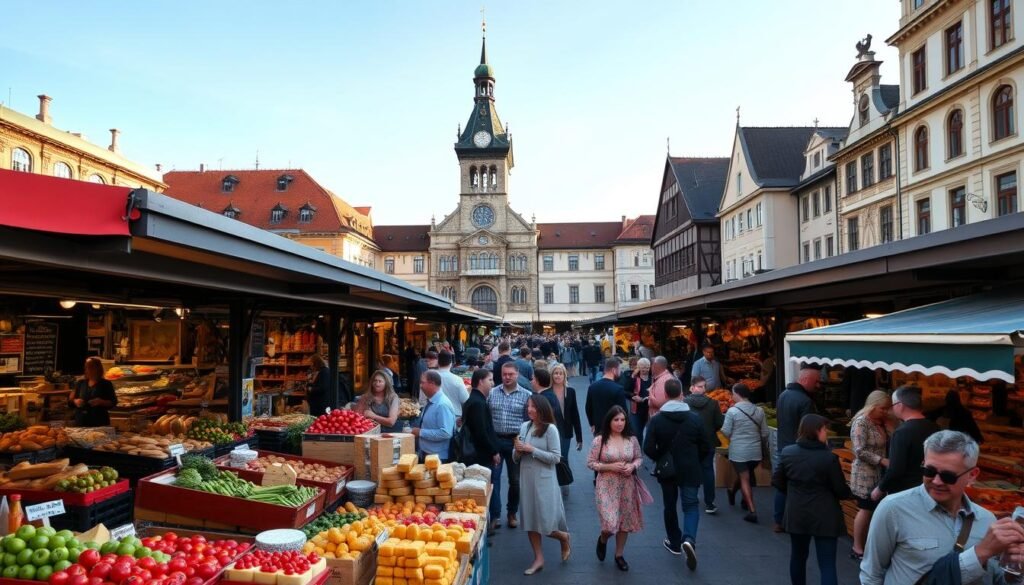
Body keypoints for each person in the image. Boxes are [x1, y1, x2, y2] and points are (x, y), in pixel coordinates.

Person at [861, 430, 1024, 585]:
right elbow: (871, 574)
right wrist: (980, 552)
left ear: (972, 475)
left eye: (948, 476)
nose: (937, 481)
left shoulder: (987, 520)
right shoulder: (894, 508)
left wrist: (1015, 568)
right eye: (929, 471)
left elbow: (997, 579)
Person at [773, 414, 852, 585]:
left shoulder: (788, 453)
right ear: (816, 431)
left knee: (798, 557)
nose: (827, 434)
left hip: (797, 511)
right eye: (824, 430)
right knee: (827, 564)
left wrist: (793, 491)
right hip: (825, 513)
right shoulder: (829, 458)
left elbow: (777, 480)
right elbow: (840, 490)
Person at [644, 378, 708, 571]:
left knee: (669, 505)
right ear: (682, 394)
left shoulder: (657, 420)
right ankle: (689, 538)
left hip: (668, 469)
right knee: (690, 505)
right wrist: (696, 459)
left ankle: (673, 540)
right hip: (690, 468)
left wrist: (660, 457)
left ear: (666, 394)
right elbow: (706, 446)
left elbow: (647, 447)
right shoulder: (695, 418)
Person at [515, 394, 571, 575]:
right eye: (528, 406)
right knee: (530, 520)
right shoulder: (524, 426)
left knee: (546, 522)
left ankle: (563, 537)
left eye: (533, 407)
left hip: (544, 480)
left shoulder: (550, 430)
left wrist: (532, 450)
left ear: (542, 409)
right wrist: (517, 451)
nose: (529, 409)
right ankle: (538, 559)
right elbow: (515, 457)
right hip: (527, 478)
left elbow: (556, 457)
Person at [588, 406, 645, 572]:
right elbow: (590, 463)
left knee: (624, 523)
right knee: (610, 523)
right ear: (609, 421)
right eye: (616, 420)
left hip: (627, 485)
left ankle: (619, 555)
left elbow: (639, 458)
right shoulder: (600, 440)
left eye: (622, 420)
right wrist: (610, 466)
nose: (620, 423)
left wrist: (633, 466)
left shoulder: (632, 440)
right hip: (606, 485)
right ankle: (603, 539)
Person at [872, 386, 941, 501]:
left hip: (904, 492)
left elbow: (896, 469)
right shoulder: (935, 427)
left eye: (893, 405)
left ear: (900, 405)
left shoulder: (902, 432)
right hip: (928, 488)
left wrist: (880, 488)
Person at [774, 367, 821, 532]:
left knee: (782, 486)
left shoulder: (783, 395)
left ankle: (778, 520)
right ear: (806, 379)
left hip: (783, 446)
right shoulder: (805, 401)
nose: (818, 385)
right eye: (816, 382)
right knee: (798, 487)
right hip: (798, 449)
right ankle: (796, 521)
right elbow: (808, 430)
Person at [487, 361, 531, 531]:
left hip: (515, 441)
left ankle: (512, 512)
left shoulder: (526, 395)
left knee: (515, 481)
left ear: (517, 375)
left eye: (510, 374)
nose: (507, 377)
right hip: (496, 440)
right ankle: (495, 515)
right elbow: (487, 419)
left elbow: (528, 422)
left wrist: (523, 442)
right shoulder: (492, 393)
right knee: (494, 479)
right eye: (504, 374)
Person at [849, 390, 892, 561]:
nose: (885, 411)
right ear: (873, 406)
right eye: (882, 408)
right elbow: (859, 450)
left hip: (881, 474)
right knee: (866, 508)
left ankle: (870, 544)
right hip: (865, 473)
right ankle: (857, 547)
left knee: (875, 510)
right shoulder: (861, 422)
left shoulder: (882, 422)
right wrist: (881, 460)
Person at [721, 383, 770, 523]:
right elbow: (765, 433)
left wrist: (734, 438)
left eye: (733, 393)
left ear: (737, 394)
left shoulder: (732, 412)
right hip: (755, 452)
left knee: (744, 478)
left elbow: (725, 431)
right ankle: (733, 492)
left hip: (739, 451)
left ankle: (752, 510)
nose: (731, 396)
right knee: (746, 474)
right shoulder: (759, 411)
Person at [685, 375, 725, 514]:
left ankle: (692, 497)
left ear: (691, 387)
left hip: (690, 442)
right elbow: (719, 423)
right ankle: (709, 502)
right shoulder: (713, 403)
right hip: (708, 441)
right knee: (708, 470)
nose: (703, 389)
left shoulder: (685, 403)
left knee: (692, 469)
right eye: (702, 386)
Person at [461, 369, 501, 469]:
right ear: (481, 381)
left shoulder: (475, 400)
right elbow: (481, 432)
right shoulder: (478, 403)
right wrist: (493, 451)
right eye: (490, 380)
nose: (493, 383)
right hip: (479, 456)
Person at [412, 371, 456, 461]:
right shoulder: (432, 401)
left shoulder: (442, 405)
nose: (420, 386)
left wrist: (420, 432)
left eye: (422, 382)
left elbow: (446, 433)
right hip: (427, 454)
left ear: (432, 383)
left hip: (438, 458)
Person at [549, 364, 584, 461]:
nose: (558, 376)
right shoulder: (547, 393)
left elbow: (575, 415)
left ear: (565, 376)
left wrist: (579, 438)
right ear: (552, 375)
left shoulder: (570, 392)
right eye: (556, 373)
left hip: (565, 431)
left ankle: (565, 476)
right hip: (550, 432)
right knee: (552, 460)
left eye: (561, 373)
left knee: (563, 460)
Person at [70, 357, 117, 427]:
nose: (87, 370)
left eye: (90, 368)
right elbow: (70, 401)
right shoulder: (80, 383)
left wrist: (101, 402)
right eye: (86, 368)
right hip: (81, 421)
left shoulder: (106, 384)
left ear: (97, 369)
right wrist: (75, 401)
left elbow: (113, 402)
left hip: (99, 422)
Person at [585, 357, 627, 434]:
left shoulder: (592, 387)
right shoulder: (618, 389)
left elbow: (588, 408)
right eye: (620, 369)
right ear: (614, 370)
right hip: (614, 429)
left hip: (598, 428)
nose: (620, 372)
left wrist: (592, 424)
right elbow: (623, 412)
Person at [434, 350, 470, 419]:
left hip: (435, 415)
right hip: (454, 416)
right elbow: (465, 400)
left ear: (438, 362)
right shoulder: (457, 379)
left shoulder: (429, 377)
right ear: (451, 364)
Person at [622, 358, 651, 441]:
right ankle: (638, 452)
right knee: (637, 433)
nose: (645, 369)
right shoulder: (634, 377)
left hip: (650, 409)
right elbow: (625, 391)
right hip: (636, 410)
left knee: (650, 433)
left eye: (647, 367)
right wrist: (634, 396)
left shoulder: (653, 378)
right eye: (643, 367)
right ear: (638, 367)